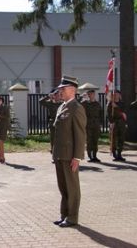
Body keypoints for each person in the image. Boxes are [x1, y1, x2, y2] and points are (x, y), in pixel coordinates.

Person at [52, 75, 86, 228]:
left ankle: (72, 217)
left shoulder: (76, 108)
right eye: (60, 89)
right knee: (63, 187)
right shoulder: (62, 106)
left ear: (72, 89)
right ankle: (64, 214)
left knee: (72, 187)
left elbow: (80, 134)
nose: (60, 91)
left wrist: (77, 157)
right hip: (59, 154)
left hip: (70, 154)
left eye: (63, 89)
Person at [39, 88, 62, 159]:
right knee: (53, 140)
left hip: (61, 124)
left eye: (59, 95)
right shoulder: (50, 103)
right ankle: (54, 156)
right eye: (56, 95)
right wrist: (48, 96)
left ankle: (61, 155)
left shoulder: (62, 103)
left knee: (61, 140)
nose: (58, 96)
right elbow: (41, 101)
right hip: (53, 124)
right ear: (53, 96)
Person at [80, 89, 102, 162]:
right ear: (88, 95)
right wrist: (81, 97)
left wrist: (100, 124)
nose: (91, 95)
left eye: (92, 94)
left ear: (94, 94)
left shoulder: (98, 104)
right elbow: (76, 104)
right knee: (89, 141)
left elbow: (101, 114)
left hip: (96, 124)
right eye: (89, 94)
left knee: (95, 140)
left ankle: (95, 156)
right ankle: (90, 156)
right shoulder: (85, 103)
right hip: (88, 124)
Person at [107, 90, 127, 161]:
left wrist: (116, 107)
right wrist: (111, 122)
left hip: (121, 123)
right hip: (114, 122)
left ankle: (119, 154)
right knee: (113, 139)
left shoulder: (122, 103)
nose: (116, 95)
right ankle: (114, 153)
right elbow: (109, 115)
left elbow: (124, 113)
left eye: (117, 94)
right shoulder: (110, 104)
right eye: (114, 94)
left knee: (121, 139)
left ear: (119, 95)